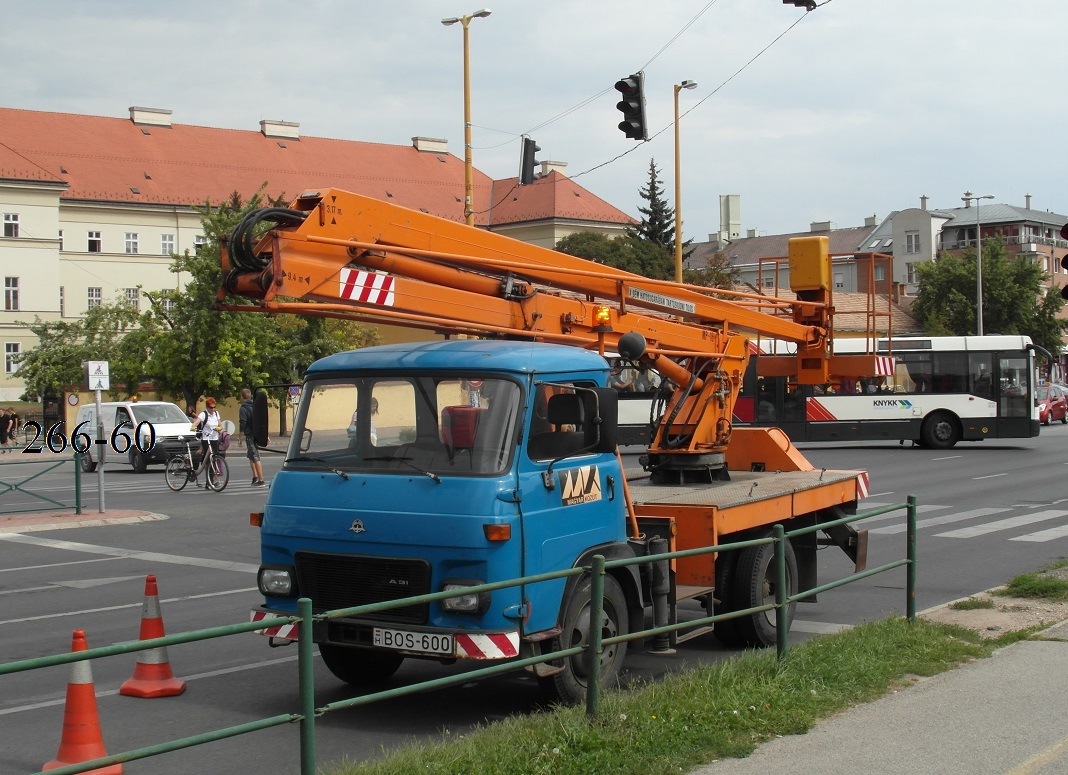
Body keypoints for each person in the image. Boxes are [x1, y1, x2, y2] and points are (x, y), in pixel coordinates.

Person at [239, 389, 267, 487]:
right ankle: (255, 477)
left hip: (250, 435)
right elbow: (262, 420)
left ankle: (261, 479)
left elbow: (242, 423)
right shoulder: (256, 406)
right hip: (257, 433)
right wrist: (265, 434)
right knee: (251, 455)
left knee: (255, 457)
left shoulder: (243, 408)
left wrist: (240, 437)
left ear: (242, 397)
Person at [194, 397, 223, 484]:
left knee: (214, 459)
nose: (213, 409)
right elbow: (197, 422)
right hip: (206, 439)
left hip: (214, 438)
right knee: (210, 459)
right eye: (211, 407)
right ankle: (209, 481)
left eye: (214, 407)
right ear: (207, 407)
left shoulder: (216, 414)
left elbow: (220, 424)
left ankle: (211, 480)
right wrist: (193, 426)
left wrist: (219, 427)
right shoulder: (203, 414)